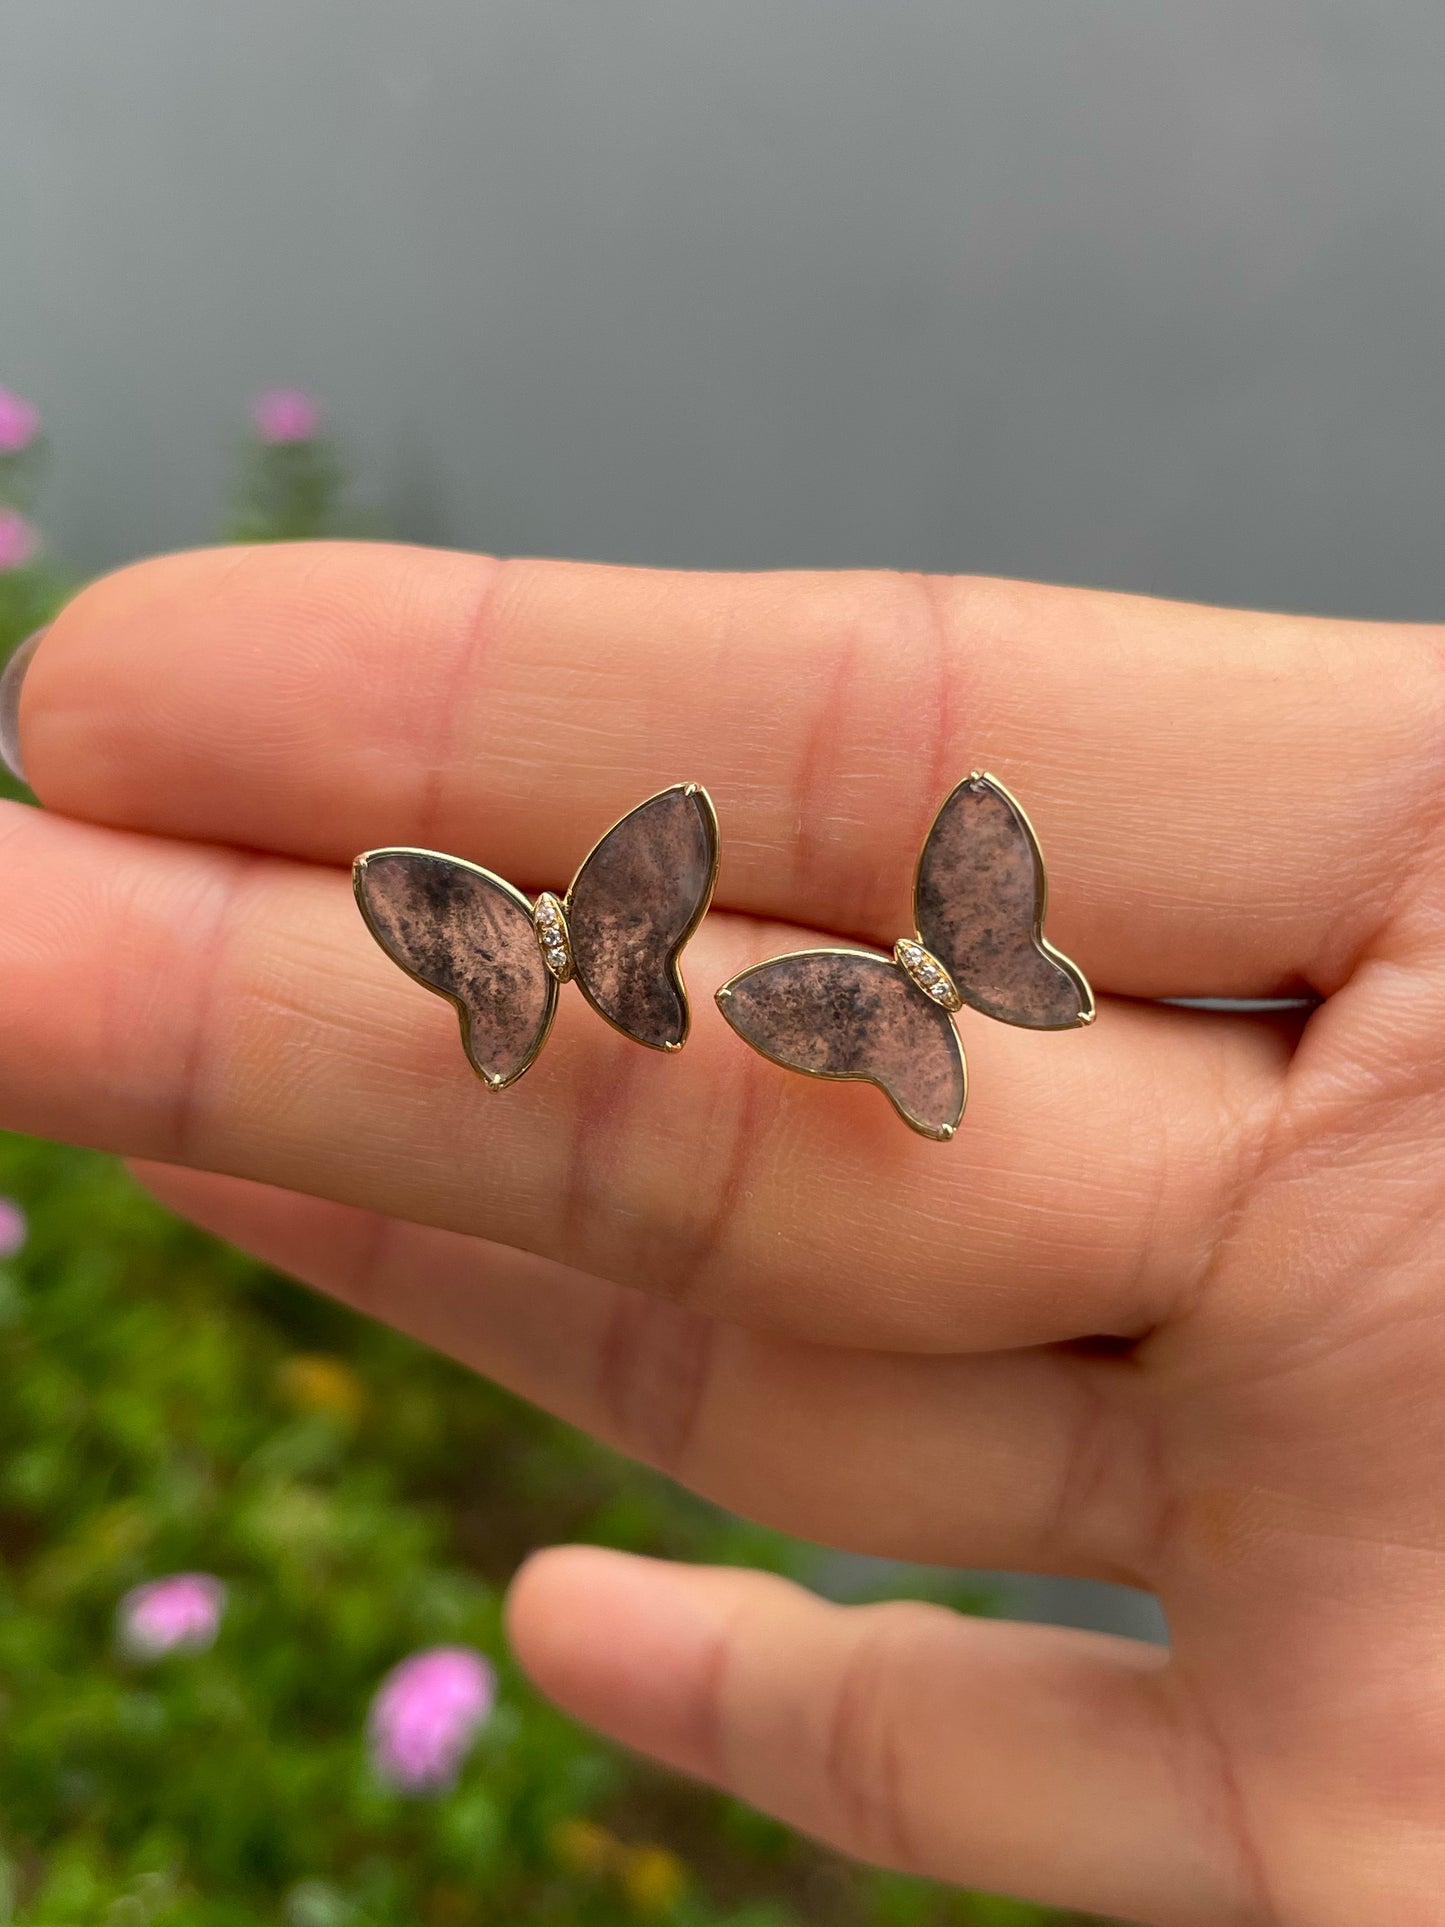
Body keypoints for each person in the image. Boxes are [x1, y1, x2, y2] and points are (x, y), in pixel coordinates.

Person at [1, 540, 1439, 1927]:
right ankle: (918, 981)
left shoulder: (741, 960)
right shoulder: (713, 950)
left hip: (768, 1002)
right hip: (741, 998)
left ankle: (900, 985)